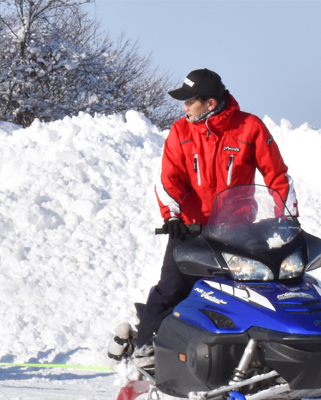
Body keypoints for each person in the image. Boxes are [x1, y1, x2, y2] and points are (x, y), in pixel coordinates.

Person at [109, 69, 298, 375]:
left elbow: (276, 175)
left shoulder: (250, 127)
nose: (184, 107)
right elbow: (168, 179)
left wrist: (287, 218)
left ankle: (257, 354)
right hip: (190, 230)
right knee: (171, 288)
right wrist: (172, 217)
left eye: (189, 101)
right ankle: (145, 350)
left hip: (237, 231)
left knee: (256, 289)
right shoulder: (180, 131)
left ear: (210, 103)